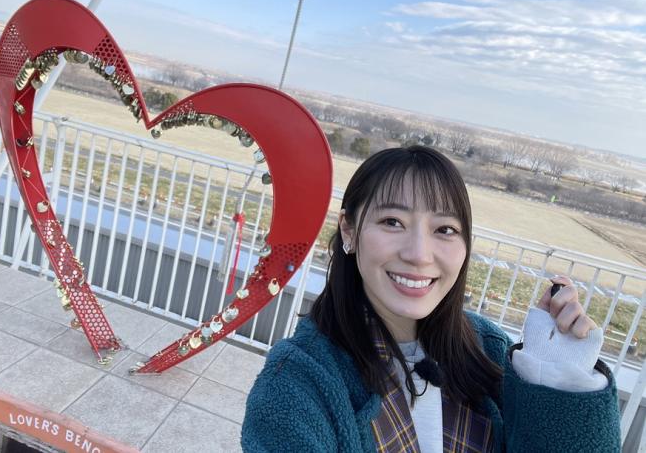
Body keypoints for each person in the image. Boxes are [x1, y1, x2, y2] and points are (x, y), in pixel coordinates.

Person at [241, 146, 620, 452]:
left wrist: (558, 381)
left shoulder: (483, 347)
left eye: (444, 229)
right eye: (392, 222)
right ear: (349, 230)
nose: (420, 254)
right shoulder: (297, 383)